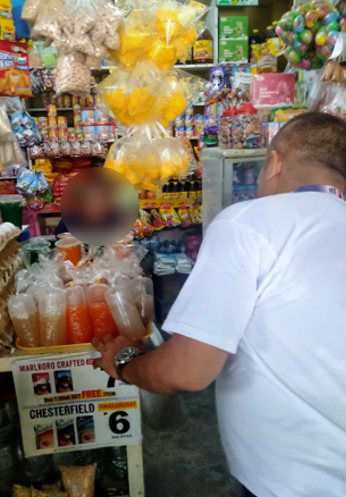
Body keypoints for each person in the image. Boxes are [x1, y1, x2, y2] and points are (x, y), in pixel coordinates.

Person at [91, 113, 346, 497]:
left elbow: (186, 372)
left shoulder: (250, 224)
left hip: (297, 479)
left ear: (275, 162)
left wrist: (126, 363)